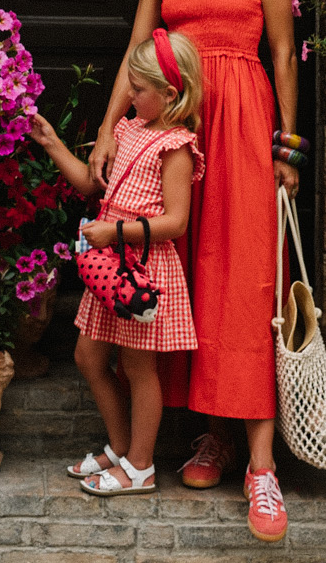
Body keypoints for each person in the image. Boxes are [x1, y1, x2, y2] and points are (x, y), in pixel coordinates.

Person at [87, 0, 301, 542]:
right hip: (174, 132)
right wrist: (108, 133)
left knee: (243, 282)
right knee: (187, 277)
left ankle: (261, 465)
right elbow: (137, 52)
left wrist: (289, 147)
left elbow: (282, 50)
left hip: (241, 126)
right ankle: (213, 435)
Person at [30, 29, 203, 496]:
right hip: (110, 270)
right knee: (88, 356)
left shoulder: (177, 147)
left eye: (138, 89)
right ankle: (122, 446)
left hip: (140, 272)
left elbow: (177, 222)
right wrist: (52, 144)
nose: (128, 95)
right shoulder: (129, 130)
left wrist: (116, 232)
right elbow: (92, 186)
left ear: (169, 94)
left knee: (139, 369)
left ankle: (141, 466)